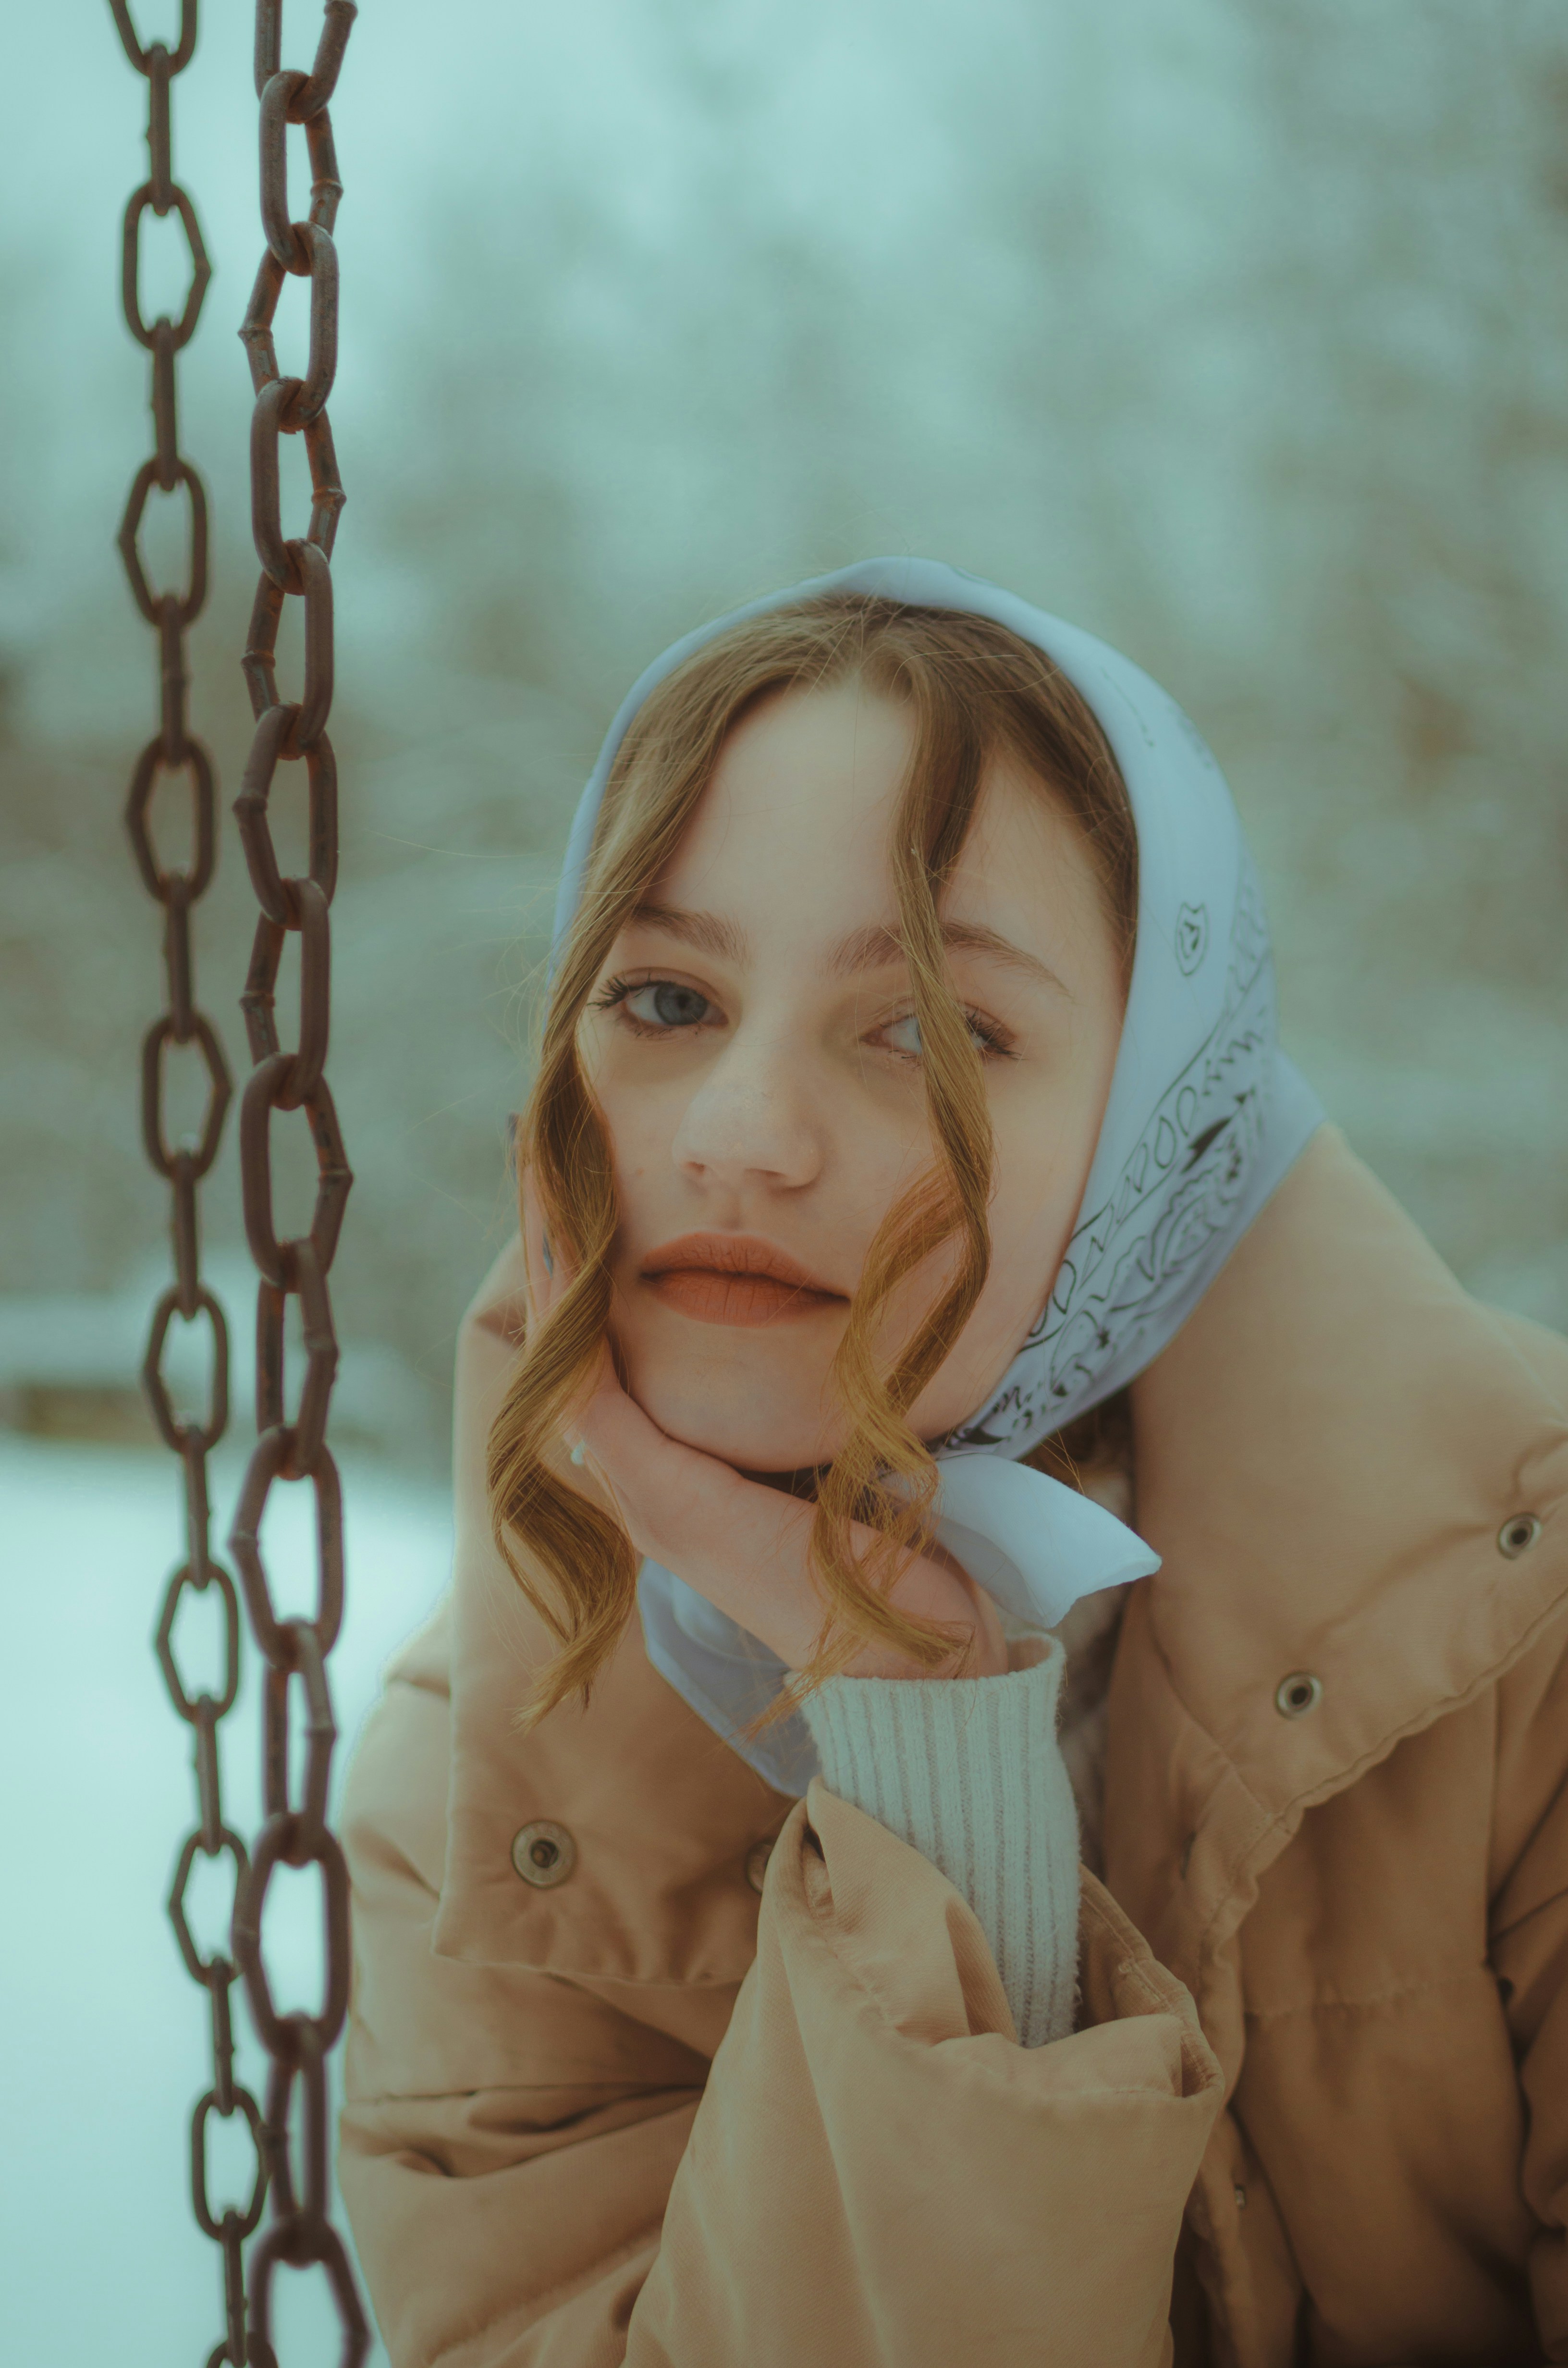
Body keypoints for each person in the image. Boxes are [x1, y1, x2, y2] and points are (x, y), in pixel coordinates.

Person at [337, 559, 1568, 2367]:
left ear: (1160, 1116)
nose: (740, 1139)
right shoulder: (480, 1787)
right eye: (667, 1001)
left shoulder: (1524, 1640)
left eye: (932, 1028)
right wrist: (923, 1735)